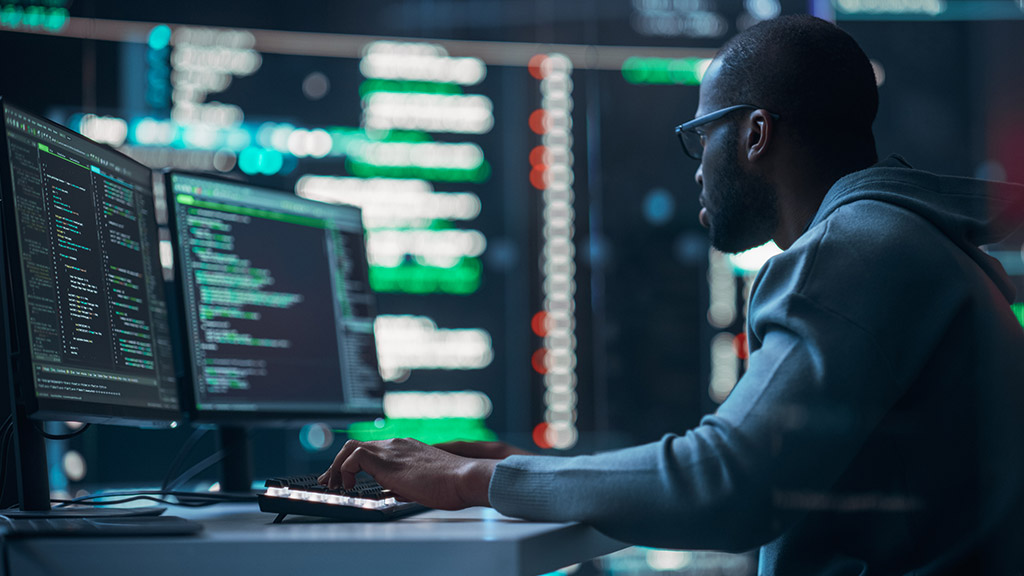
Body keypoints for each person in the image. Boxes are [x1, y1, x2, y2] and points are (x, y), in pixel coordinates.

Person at [320, 14, 1024, 575]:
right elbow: (747, 468)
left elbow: (725, 485)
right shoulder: (909, 241)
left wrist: (472, 480)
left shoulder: (852, 252)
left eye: (699, 137)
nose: (694, 172)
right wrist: (532, 472)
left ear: (755, 134)